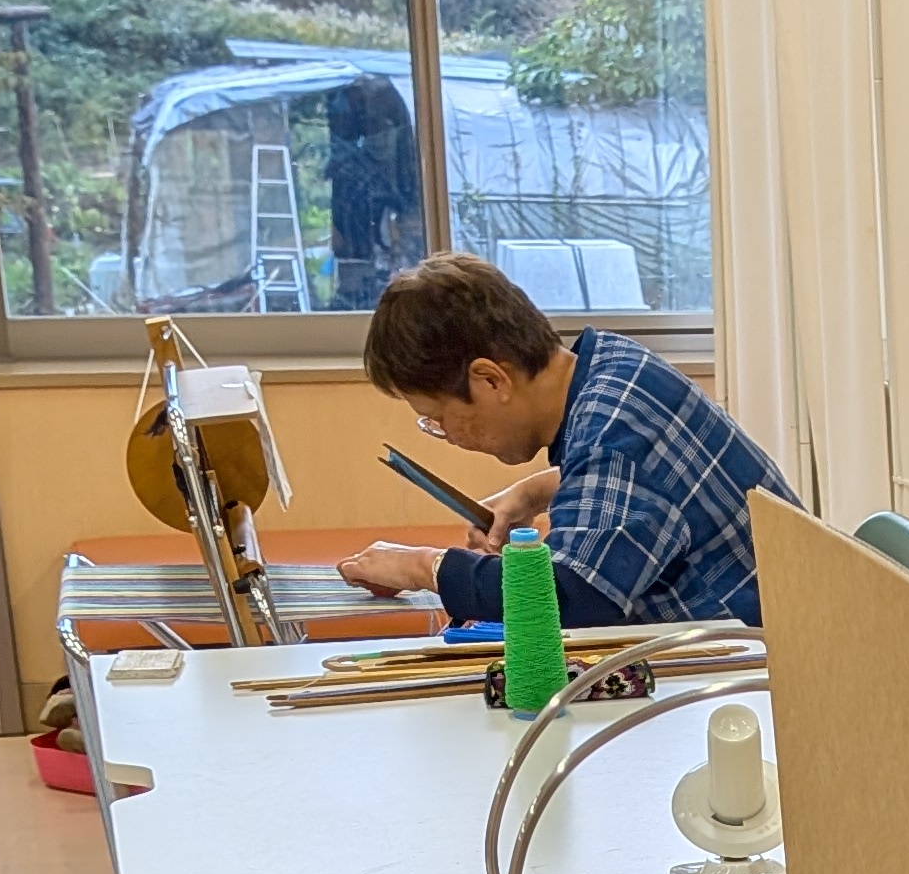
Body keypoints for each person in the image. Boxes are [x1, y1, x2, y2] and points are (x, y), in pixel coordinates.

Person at [337, 253, 797, 628]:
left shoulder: (611, 433)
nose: (448, 437)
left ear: (491, 380)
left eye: (440, 419)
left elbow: (570, 596)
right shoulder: (611, 364)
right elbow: (657, 478)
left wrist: (426, 567)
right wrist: (534, 491)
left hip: (774, 673)